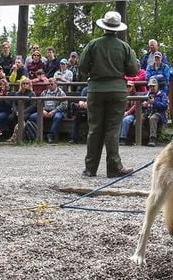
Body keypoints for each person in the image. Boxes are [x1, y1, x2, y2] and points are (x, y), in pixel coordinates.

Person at [77, 11, 139, 177]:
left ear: (103, 26)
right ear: (118, 29)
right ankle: (114, 168)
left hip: (96, 89)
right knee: (112, 129)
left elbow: (82, 67)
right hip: (117, 90)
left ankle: (90, 169)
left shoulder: (93, 44)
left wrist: (95, 70)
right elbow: (133, 70)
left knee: (95, 128)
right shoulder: (124, 47)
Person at [32, 76, 68, 143]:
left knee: (57, 117)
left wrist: (54, 111)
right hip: (45, 111)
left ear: (56, 84)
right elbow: (39, 103)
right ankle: (39, 135)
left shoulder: (61, 93)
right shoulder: (44, 92)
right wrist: (43, 110)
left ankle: (51, 136)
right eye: (48, 84)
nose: (50, 86)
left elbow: (64, 104)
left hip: (57, 111)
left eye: (51, 84)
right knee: (32, 117)